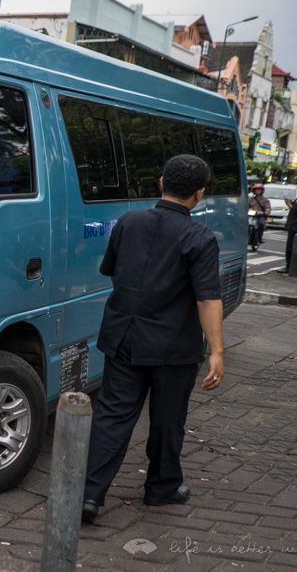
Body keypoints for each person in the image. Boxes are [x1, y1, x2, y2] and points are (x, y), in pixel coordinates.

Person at [81, 154, 225, 524]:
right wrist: (217, 350)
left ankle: (89, 494)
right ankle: (161, 488)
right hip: (173, 346)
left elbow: (113, 272)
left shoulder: (129, 222)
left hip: (123, 336)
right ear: (199, 194)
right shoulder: (200, 237)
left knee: (112, 416)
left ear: (161, 182)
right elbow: (207, 298)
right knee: (167, 419)